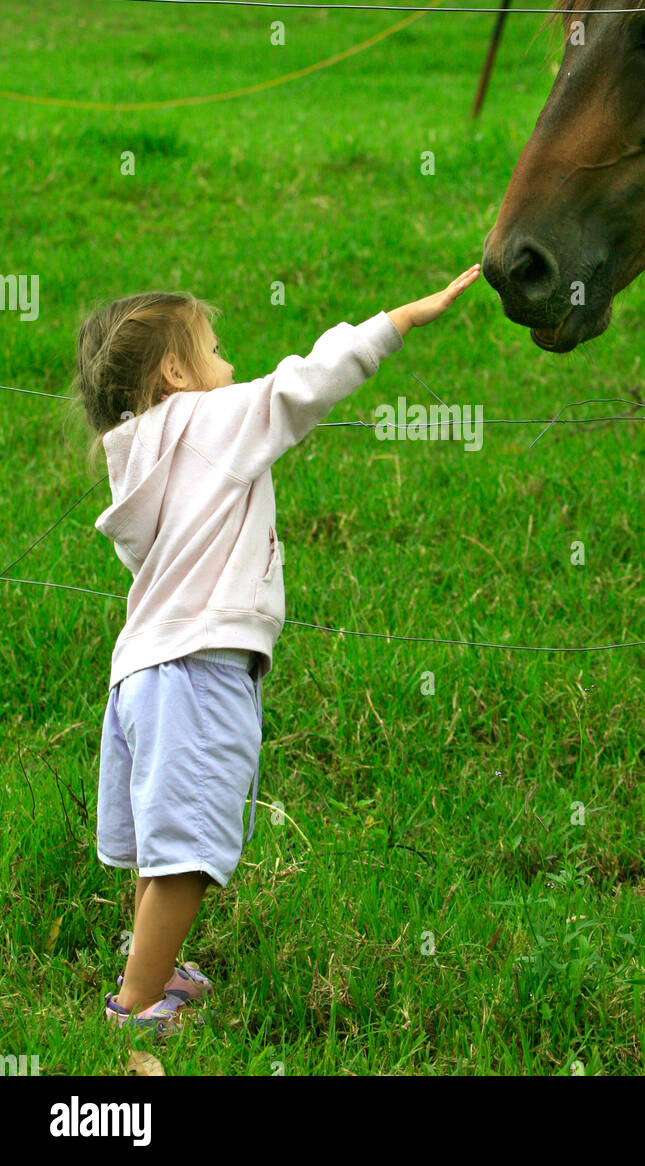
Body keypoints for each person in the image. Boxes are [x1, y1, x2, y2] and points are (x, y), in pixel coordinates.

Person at [72, 265, 481, 1039]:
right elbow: (302, 386)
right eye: (215, 348)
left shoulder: (138, 451)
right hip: (198, 671)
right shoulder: (213, 420)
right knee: (187, 853)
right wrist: (398, 319)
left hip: (140, 675)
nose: (229, 363)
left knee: (163, 847)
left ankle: (153, 970)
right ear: (175, 373)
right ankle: (134, 1011)